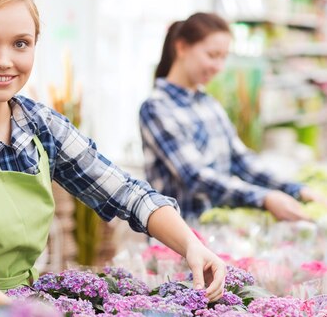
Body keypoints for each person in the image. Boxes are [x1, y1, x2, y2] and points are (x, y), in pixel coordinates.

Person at [0, 0, 225, 306]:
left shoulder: (41, 126)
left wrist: (191, 244)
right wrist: (14, 312)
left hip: (18, 305)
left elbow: (125, 192)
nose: (4, 60)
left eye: (20, 43)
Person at [139, 12, 327, 222]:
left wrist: (295, 190)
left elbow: (241, 161)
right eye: (212, 55)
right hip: (177, 239)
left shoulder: (209, 104)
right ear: (182, 47)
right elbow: (195, 176)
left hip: (215, 231)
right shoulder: (157, 108)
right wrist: (264, 198)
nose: (218, 67)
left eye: (223, 57)